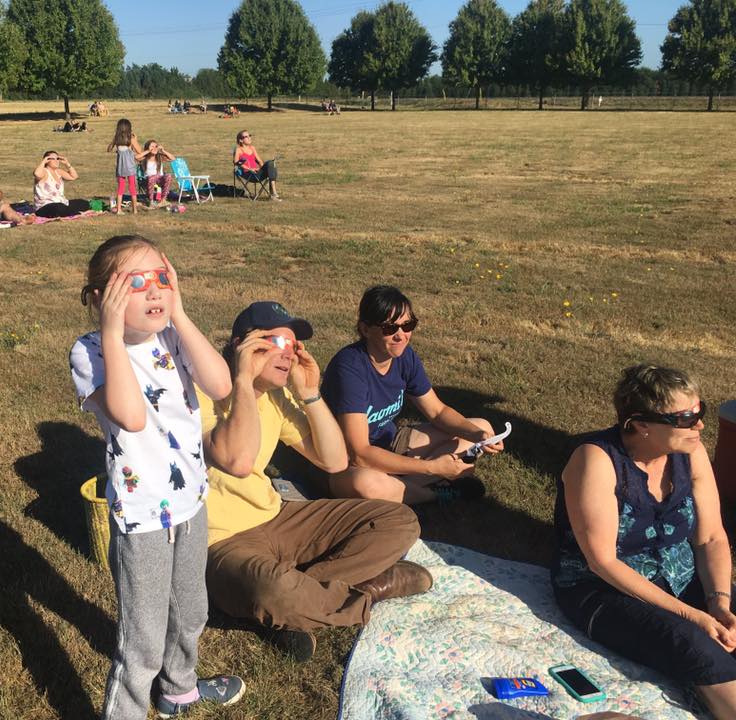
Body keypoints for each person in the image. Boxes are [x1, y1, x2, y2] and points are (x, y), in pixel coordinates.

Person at [70, 234, 244, 719]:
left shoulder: (173, 335)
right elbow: (131, 416)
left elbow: (221, 385)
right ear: (104, 298)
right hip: (143, 514)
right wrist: (109, 333)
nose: (154, 292)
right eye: (137, 282)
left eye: (162, 279)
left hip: (191, 501)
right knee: (141, 639)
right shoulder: (90, 353)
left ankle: (179, 690)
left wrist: (181, 313)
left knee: (191, 611)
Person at [199, 301, 432, 662]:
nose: (287, 355)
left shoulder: (276, 397)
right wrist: (243, 379)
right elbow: (237, 461)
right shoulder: (199, 393)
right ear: (240, 345)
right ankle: (369, 591)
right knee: (271, 590)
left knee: (398, 520)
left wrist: (310, 393)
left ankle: (303, 602)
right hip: (220, 539)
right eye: (274, 343)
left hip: (275, 516)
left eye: (292, 347)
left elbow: (335, 461)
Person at [553, 364, 736, 719]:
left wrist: (719, 601)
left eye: (700, 412)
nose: (699, 425)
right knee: (692, 644)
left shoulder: (690, 453)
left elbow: (711, 536)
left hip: (680, 576)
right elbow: (602, 562)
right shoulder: (596, 460)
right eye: (684, 418)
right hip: (603, 588)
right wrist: (692, 615)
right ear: (640, 424)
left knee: (726, 622)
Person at [321, 285, 502, 505]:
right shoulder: (349, 368)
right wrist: (431, 468)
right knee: (367, 484)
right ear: (365, 329)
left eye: (408, 325)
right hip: (345, 463)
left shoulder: (404, 356)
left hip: (390, 443)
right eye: (390, 328)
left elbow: (437, 411)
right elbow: (360, 453)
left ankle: (401, 489)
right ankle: (435, 495)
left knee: (482, 426)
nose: (401, 336)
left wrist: (479, 436)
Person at [32, 151, 91, 218]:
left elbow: (74, 177)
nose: (56, 161)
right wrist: (43, 162)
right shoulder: (44, 172)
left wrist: (67, 164)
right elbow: (36, 174)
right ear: (47, 160)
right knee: (58, 207)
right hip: (44, 206)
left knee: (83, 203)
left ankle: (70, 211)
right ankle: (74, 212)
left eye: (57, 159)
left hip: (62, 202)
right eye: (53, 159)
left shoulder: (58, 172)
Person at [107, 118, 147, 215]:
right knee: (132, 188)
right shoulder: (131, 139)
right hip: (130, 168)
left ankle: (119, 209)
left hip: (120, 168)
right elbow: (139, 151)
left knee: (120, 188)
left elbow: (108, 149)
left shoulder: (117, 139)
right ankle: (135, 210)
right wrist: (135, 141)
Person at [234, 130, 281, 201]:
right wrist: (250, 169)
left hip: (257, 173)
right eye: (246, 137)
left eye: (249, 135)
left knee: (271, 164)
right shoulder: (239, 150)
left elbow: (259, 161)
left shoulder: (252, 148)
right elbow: (236, 163)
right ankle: (273, 194)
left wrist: (262, 168)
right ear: (241, 140)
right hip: (249, 174)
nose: (249, 138)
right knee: (271, 165)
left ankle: (273, 193)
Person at [141, 140, 175, 208]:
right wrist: (148, 151)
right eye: (152, 146)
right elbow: (136, 157)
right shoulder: (145, 158)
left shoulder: (159, 157)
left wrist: (163, 151)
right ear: (148, 148)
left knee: (168, 176)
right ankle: (151, 201)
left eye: (156, 146)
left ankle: (163, 200)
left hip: (159, 179)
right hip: (148, 179)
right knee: (152, 177)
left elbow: (173, 158)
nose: (154, 148)